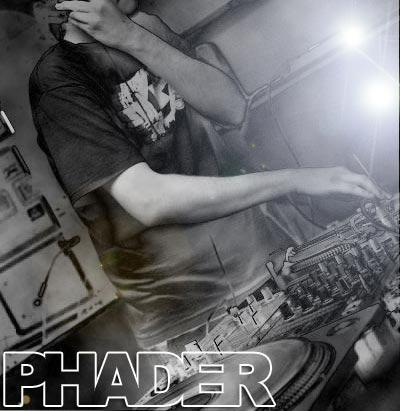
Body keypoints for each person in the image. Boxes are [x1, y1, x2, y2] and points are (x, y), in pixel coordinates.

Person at [29, 0, 387, 351]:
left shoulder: (146, 31)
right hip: (193, 321)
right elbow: (149, 200)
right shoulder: (57, 79)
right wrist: (294, 179)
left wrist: (132, 37)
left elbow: (231, 108)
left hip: (271, 269)